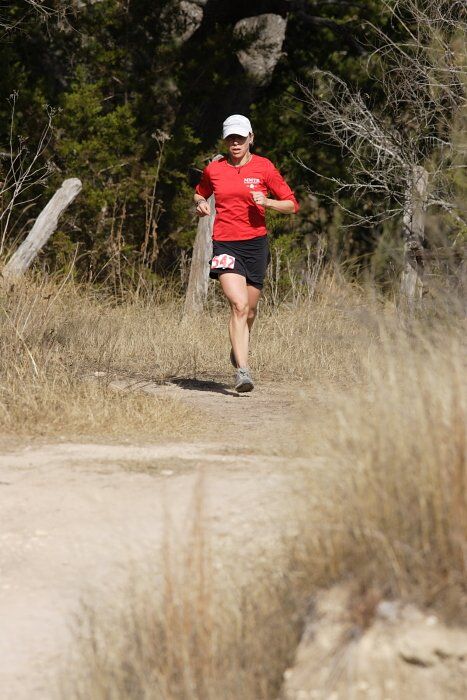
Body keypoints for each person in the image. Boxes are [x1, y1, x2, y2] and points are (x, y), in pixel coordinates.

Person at [193, 114, 299, 393]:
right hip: (225, 244)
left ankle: (237, 347)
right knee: (238, 306)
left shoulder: (264, 168)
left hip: (255, 245)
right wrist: (202, 202)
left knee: (250, 310)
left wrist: (269, 202)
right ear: (226, 140)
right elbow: (199, 192)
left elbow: (292, 204)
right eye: (231, 138)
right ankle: (243, 372)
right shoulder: (214, 169)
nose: (236, 142)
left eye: (240, 137)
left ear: (251, 138)